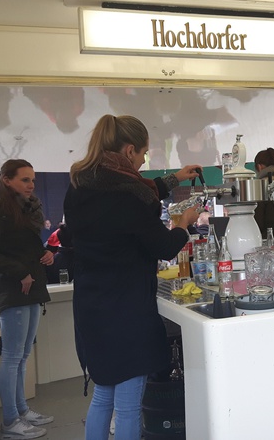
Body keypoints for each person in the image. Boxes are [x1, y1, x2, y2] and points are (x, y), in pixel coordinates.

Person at [63, 114, 200, 440]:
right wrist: (183, 224)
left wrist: (175, 178)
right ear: (128, 151)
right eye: (143, 154)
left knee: (103, 395)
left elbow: (136, 195)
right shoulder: (130, 196)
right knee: (127, 407)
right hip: (126, 308)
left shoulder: (80, 185)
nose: (142, 162)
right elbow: (164, 246)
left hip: (91, 304)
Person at [0, 159, 55, 439]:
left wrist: (46, 253)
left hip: (30, 286)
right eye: (24, 179)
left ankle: (20, 411)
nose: (31, 185)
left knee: (22, 355)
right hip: (13, 288)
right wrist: (20, 271)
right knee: (12, 357)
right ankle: (10, 422)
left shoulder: (22, 208)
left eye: (33, 180)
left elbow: (19, 246)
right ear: (7, 180)